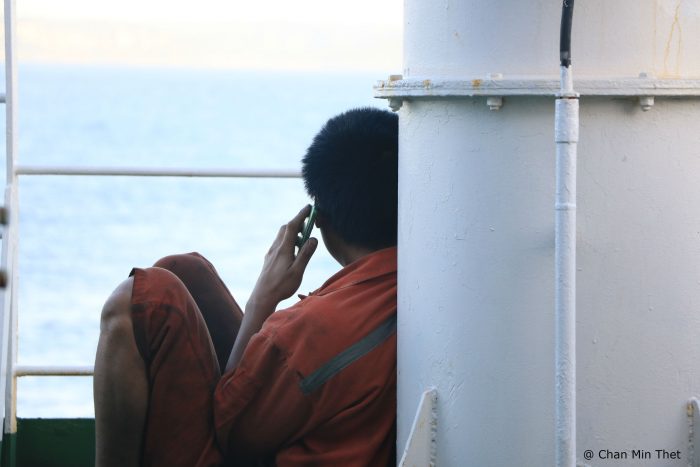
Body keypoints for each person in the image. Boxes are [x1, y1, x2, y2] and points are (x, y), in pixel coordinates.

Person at [93, 107, 399, 467]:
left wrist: (263, 299)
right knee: (184, 271)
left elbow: (233, 434)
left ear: (321, 220)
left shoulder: (309, 332)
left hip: (246, 441)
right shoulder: (422, 282)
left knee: (142, 301)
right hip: (325, 426)